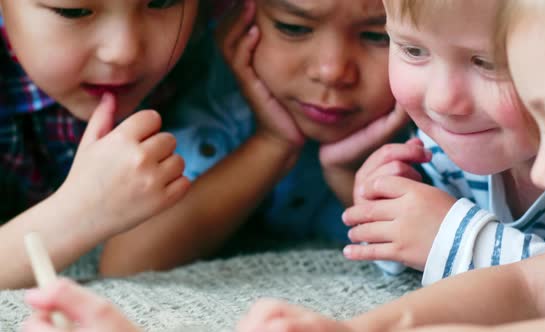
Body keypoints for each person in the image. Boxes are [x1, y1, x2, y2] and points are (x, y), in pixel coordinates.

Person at [20, 0, 545, 330]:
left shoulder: (463, 131)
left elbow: (541, 284)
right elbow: (526, 286)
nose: (332, 69)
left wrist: (441, 231)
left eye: (488, 62)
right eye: (411, 50)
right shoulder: (444, 143)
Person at [97, 0, 412, 275]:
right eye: (294, 28)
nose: (332, 71)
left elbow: (437, 264)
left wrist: (346, 176)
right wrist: (273, 143)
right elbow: (126, 261)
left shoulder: (435, 131)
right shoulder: (224, 102)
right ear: (236, 20)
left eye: (377, 36)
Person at [339, 0, 545, 281]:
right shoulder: (440, 150)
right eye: (413, 50)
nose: (442, 102)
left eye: (488, 63)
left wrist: (456, 241)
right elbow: (415, 264)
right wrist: (387, 216)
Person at [0, 0, 200, 289]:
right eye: (73, 11)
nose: (123, 51)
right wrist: (81, 211)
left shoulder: (223, 43)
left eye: (161, 2)